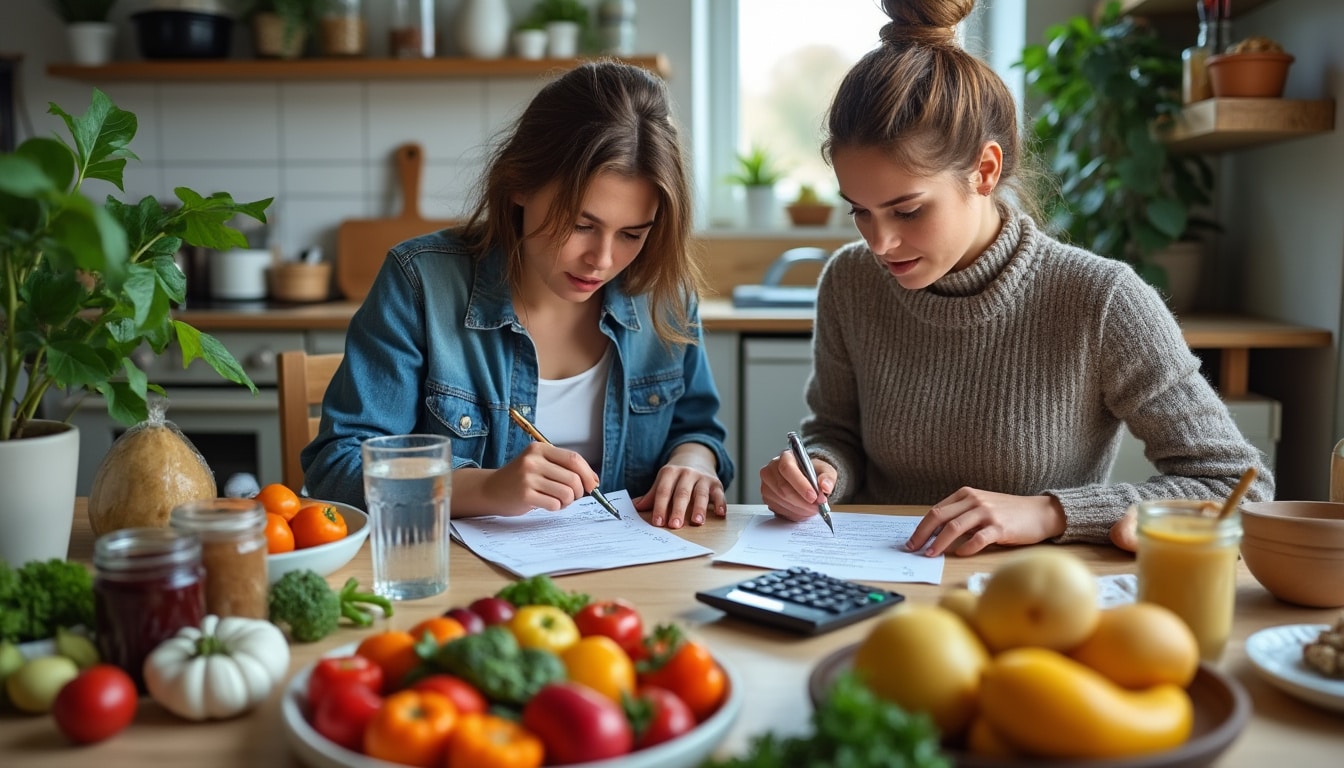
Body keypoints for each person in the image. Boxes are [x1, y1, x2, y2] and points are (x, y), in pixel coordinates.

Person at [758, 0, 1272, 555]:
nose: (879, 243)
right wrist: (819, 470)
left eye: (907, 211)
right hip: (878, 583)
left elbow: (1239, 488)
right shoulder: (850, 282)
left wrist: (1053, 512)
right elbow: (836, 431)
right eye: (859, 210)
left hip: (1036, 602)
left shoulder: (1100, 300)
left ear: (985, 171)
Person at [303, 61, 733, 529]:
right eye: (581, 225)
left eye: (632, 234)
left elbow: (696, 429)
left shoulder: (662, 296)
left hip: (633, 582)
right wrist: (484, 488)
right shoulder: (421, 283)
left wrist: (695, 461)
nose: (602, 260)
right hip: (468, 585)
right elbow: (337, 467)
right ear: (519, 185)